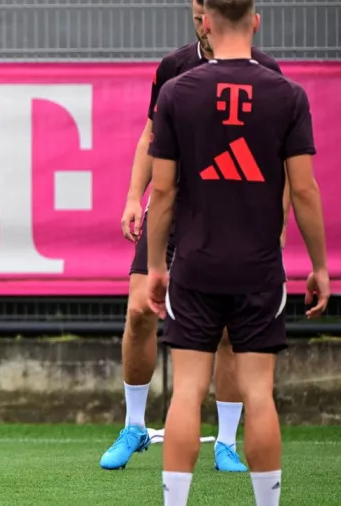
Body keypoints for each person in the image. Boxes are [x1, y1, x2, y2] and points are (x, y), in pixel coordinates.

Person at [146, 0, 330, 504]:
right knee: (258, 393)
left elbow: (161, 193)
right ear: (256, 21)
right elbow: (306, 191)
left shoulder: (178, 93)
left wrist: (157, 266)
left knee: (186, 391)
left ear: (205, 21)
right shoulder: (287, 94)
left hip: (196, 265)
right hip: (259, 268)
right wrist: (318, 265)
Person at [102, 0, 286, 472]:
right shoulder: (174, 68)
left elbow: (284, 164)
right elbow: (150, 137)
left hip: (230, 218)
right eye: (196, 3)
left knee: (227, 331)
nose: (201, 12)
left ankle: (225, 442)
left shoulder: (266, 73)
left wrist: (278, 222)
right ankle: (134, 426)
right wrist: (131, 197)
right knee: (140, 310)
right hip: (171, 209)